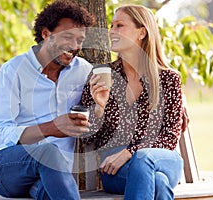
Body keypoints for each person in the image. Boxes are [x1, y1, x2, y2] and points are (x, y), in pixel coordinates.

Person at [0, 1, 95, 199]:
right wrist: (50, 128)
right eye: (67, 37)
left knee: (46, 191)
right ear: (45, 34)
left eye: (80, 40)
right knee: (48, 152)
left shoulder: (83, 70)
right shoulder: (13, 71)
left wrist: (100, 103)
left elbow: (93, 125)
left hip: (55, 174)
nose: (75, 46)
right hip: (6, 167)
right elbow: (0, 135)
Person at [81, 4, 184, 200]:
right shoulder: (101, 76)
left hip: (161, 159)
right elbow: (87, 137)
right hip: (116, 169)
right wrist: (99, 107)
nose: (111, 31)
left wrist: (131, 152)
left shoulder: (169, 79)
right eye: (111, 26)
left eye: (119, 26)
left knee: (143, 159)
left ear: (142, 32)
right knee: (158, 183)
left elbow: (170, 136)